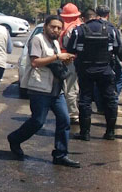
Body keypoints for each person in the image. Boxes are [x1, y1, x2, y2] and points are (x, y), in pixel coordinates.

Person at [7, 15, 80, 167]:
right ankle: (15, 139)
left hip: (56, 89)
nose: (56, 30)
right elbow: (35, 62)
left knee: (64, 120)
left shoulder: (55, 42)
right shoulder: (37, 40)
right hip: (40, 89)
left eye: (59, 28)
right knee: (38, 121)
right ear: (46, 26)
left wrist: (64, 60)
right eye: (53, 26)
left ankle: (60, 154)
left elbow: (55, 61)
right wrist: (57, 56)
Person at [66, 8, 122, 140]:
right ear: (96, 17)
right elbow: (118, 48)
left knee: (85, 99)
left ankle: (85, 133)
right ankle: (110, 132)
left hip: (85, 70)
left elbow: (70, 49)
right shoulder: (110, 29)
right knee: (110, 99)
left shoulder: (78, 30)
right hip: (106, 69)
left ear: (83, 18)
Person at [96, 5, 122, 106]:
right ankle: (112, 99)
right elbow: (118, 46)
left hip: (93, 61)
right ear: (108, 15)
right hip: (108, 61)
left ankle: (100, 105)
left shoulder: (89, 27)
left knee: (97, 84)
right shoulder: (111, 28)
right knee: (120, 79)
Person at [59, 3, 82, 124]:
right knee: (74, 88)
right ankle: (75, 113)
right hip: (76, 60)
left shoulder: (63, 28)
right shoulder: (77, 28)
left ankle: (71, 112)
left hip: (66, 60)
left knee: (69, 88)